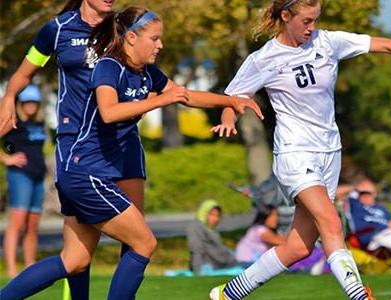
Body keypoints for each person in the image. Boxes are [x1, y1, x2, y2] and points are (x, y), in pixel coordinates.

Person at [0, 7, 262, 300]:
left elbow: (186, 95)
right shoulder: (107, 67)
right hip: (85, 170)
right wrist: (160, 101)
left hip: (95, 169)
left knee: (74, 260)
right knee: (144, 242)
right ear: (132, 37)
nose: (161, 45)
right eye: (155, 38)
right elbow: (109, 112)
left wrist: (232, 100)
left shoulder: (145, 72)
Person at [208, 1, 391, 299]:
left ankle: (227, 294)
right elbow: (232, 99)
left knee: (299, 247)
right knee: (331, 222)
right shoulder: (264, 59)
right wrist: (228, 120)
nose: (312, 28)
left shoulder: (328, 42)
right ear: (285, 16)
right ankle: (358, 295)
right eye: (306, 21)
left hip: (329, 153)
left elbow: (387, 45)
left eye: (315, 20)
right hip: (295, 153)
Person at [0, 1, 128, 298]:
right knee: (126, 245)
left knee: (84, 255)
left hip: (119, 144)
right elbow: (24, 72)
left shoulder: (121, 28)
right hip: (75, 147)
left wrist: (225, 101)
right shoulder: (56, 30)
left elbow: (151, 75)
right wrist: (8, 99)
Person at [1, 85, 47, 278]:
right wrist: (6, 158)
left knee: (33, 226)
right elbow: (6, 145)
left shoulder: (39, 123)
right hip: (20, 176)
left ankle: (30, 268)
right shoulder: (13, 122)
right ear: (21, 104)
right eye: (27, 102)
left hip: (38, 176)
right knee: (17, 224)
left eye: (34, 103)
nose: (30, 106)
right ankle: (12, 269)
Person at [186, 200, 238, 274]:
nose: (216, 219)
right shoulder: (195, 227)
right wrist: (197, 272)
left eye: (217, 215)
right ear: (203, 213)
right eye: (212, 215)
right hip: (213, 266)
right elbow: (196, 250)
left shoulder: (210, 229)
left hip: (228, 262)